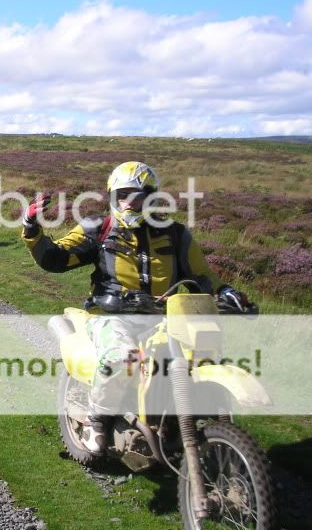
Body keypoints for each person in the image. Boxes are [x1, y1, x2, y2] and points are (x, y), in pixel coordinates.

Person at [21, 161, 250, 454]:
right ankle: (97, 424)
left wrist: (226, 292)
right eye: (123, 195)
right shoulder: (98, 229)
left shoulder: (177, 235)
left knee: (202, 360)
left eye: (138, 195)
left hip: (165, 318)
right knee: (122, 358)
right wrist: (32, 228)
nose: (130, 201)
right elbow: (55, 259)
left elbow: (202, 276)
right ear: (113, 197)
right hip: (110, 317)